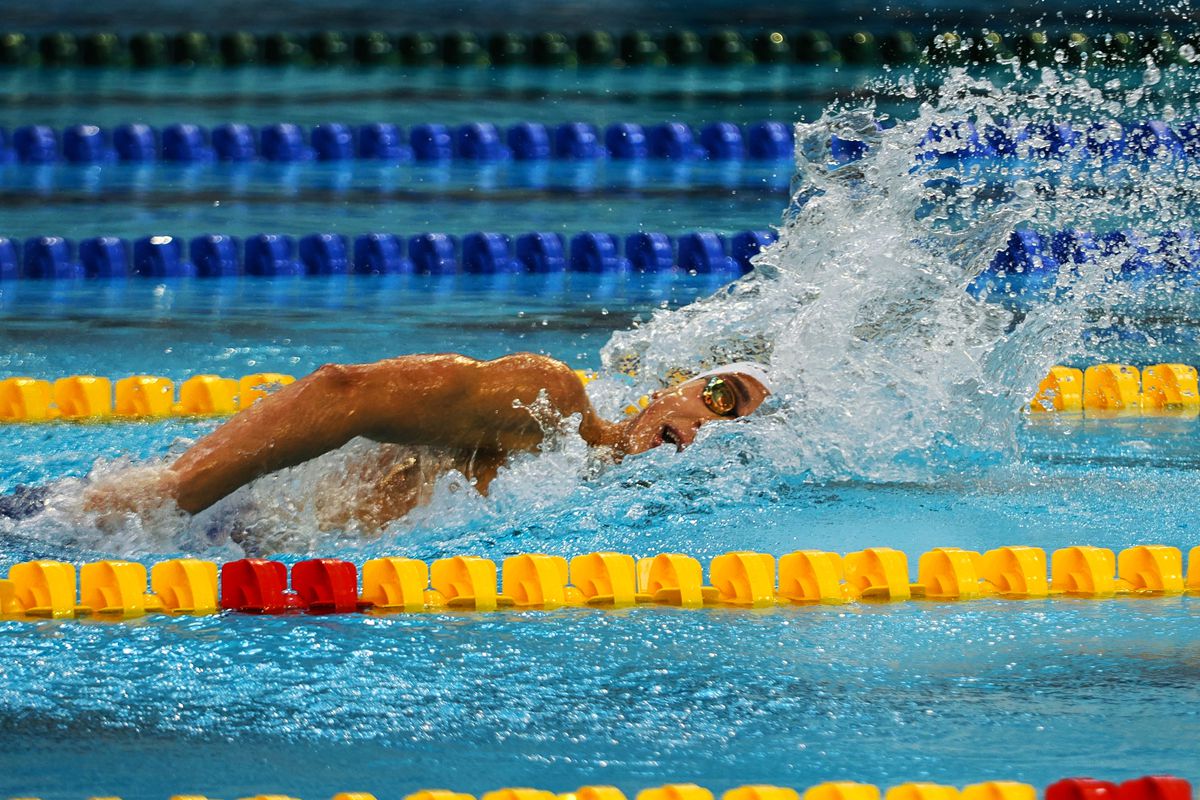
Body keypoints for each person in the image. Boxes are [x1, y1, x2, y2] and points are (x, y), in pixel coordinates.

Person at [25, 353, 771, 530]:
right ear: (675, 380)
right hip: (151, 525)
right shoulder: (551, 401)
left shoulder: (575, 471)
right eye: (717, 394)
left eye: (733, 424)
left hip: (248, 559)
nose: (710, 422)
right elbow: (341, 391)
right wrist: (174, 494)